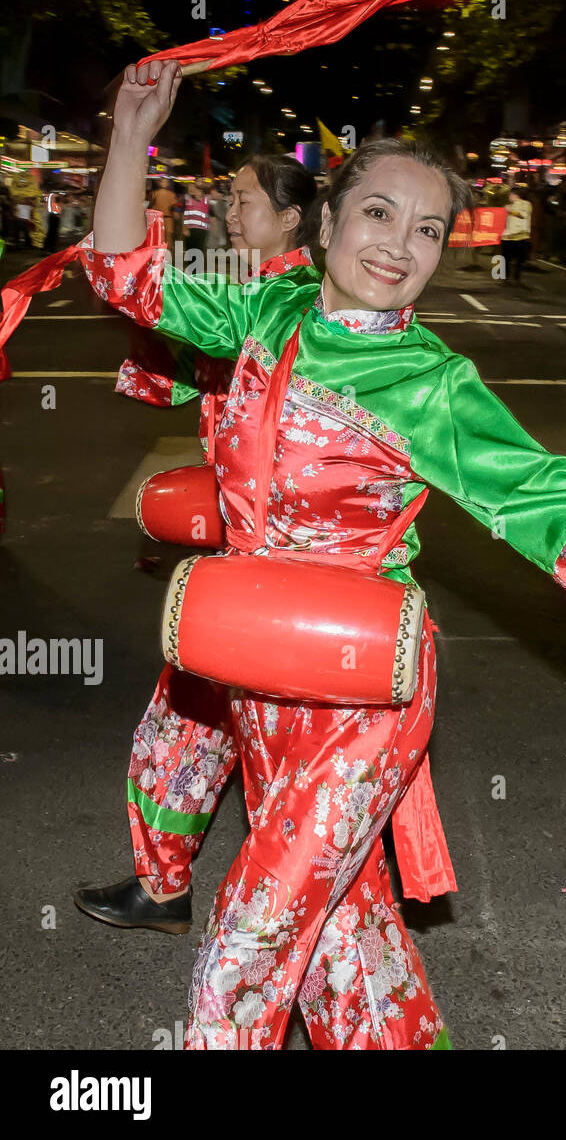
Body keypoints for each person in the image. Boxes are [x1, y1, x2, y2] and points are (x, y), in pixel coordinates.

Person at [77, 60, 566, 1050]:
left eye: (428, 229)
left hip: (361, 696)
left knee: (247, 948)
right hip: (256, 674)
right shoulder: (262, 315)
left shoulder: (431, 382)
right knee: (348, 945)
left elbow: (550, 498)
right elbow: (123, 273)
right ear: (325, 226)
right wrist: (128, 133)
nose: (401, 245)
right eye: (377, 215)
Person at [73, 154, 320, 938]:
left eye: (244, 199)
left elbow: (137, 291)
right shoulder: (259, 296)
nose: (229, 210)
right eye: (229, 197)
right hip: (237, 559)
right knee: (196, 727)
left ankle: (285, 904)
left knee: (264, 748)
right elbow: (176, 366)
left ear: (290, 217)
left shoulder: (279, 299)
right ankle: (176, 887)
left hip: (273, 571)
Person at [501, 178, 532, 283]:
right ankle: (505, 277)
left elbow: (524, 215)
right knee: (506, 259)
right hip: (507, 236)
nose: (509, 197)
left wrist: (511, 211)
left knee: (519, 260)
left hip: (520, 236)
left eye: (510, 195)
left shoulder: (526, 204)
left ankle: (517, 278)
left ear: (515, 195)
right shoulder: (508, 206)